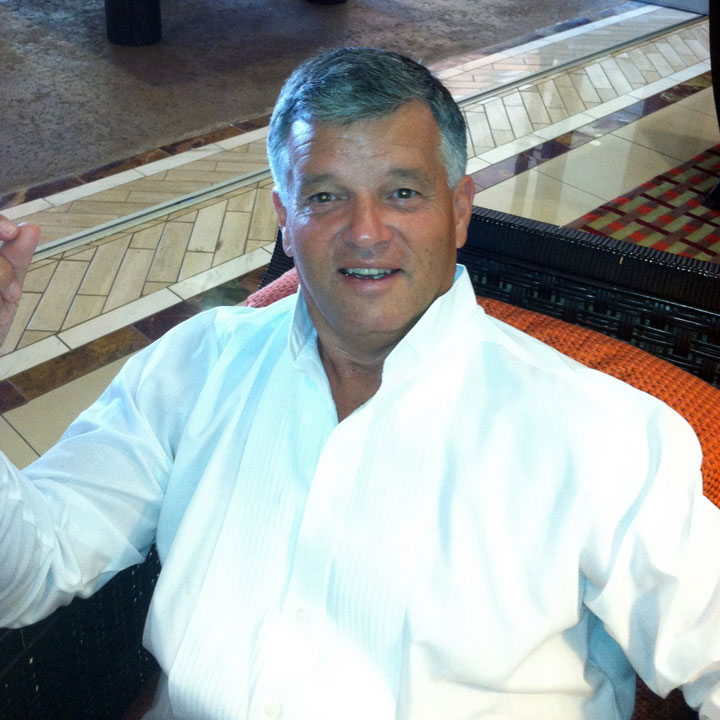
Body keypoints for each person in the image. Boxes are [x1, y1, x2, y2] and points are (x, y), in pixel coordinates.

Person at [1, 47, 720, 720]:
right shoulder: (197, 365)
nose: (366, 232)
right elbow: (32, 569)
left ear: (460, 209)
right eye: (325, 196)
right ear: (285, 220)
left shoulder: (600, 436)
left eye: (402, 192)